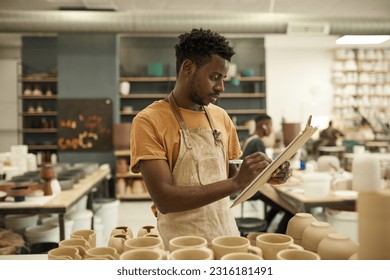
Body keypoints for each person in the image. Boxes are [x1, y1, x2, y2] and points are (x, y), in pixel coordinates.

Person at [129, 28, 291, 249]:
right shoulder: (149, 121)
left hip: (227, 236)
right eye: (214, 77)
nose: (221, 87)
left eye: (223, 78)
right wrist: (236, 182)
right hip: (183, 246)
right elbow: (164, 199)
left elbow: (231, 172)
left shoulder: (220, 116)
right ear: (188, 68)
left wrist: (266, 175)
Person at [240, 114, 296, 234]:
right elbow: (267, 171)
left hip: (246, 184)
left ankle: (265, 231)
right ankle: (278, 238)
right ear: (264, 127)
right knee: (292, 210)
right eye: (270, 126)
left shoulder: (249, 138)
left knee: (277, 206)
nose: (271, 130)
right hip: (253, 187)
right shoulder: (257, 142)